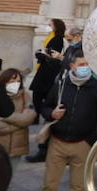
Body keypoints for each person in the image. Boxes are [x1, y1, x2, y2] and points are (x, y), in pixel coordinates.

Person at [29, 55, 97, 191]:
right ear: (72, 66)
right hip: (58, 141)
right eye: (81, 64)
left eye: (88, 64)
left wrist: (90, 140)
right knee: (50, 184)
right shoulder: (61, 85)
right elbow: (46, 106)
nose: (85, 68)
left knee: (78, 186)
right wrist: (52, 114)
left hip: (82, 144)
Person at [25, 23, 72, 163]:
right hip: (59, 83)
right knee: (49, 113)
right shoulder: (70, 46)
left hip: (65, 83)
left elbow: (70, 63)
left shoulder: (77, 47)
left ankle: (50, 150)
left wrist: (57, 58)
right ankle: (43, 149)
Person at [0, 68, 36, 168]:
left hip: (18, 146)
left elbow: (29, 118)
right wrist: (20, 122)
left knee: (11, 176)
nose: (15, 84)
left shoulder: (25, 96)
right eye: (12, 81)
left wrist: (6, 117)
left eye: (18, 81)